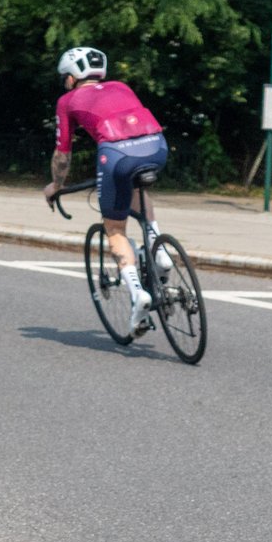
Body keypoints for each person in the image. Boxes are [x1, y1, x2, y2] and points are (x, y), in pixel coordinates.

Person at [41, 46, 167, 333]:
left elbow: (63, 154)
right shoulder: (121, 86)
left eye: (65, 77)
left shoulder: (68, 100)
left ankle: (138, 295)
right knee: (137, 188)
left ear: (72, 78)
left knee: (114, 229)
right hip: (157, 146)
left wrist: (56, 186)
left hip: (118, 155)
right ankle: (159, 248)